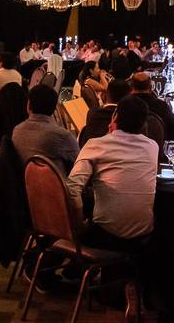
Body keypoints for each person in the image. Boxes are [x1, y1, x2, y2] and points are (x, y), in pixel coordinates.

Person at [66, 96, 158, 250]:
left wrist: (79, 222)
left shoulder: (96, 145)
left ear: (115, 116)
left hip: (105, 236)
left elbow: (72, 188)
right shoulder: (152, 147)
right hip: (144, 235)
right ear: (143, 124)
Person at [12, 84, 79, 174]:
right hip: (55, 186)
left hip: (22, 186)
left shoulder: (17, 131)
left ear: (28, 105)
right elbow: (78, 164)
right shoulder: (62, 135)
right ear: (54, 108)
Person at [79, 78, 131, 148]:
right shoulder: (131, 117)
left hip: (94, 155)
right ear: (128, 96)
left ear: (107, 95)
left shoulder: (93, 113)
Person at [129, 72, 174, 139]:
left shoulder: (124, 106)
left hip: (130, 146)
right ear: (151, 87)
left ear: (131, 87)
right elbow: (172, 126)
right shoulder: (162, 106)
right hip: (157, 146)